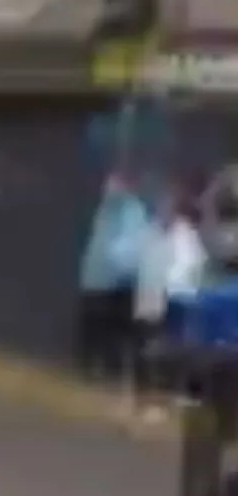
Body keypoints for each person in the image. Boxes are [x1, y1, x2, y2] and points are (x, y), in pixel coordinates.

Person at [132, 185, 206, 416]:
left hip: (178, 299)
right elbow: (144, 263)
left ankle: (172, 397)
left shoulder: (187, 236)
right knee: (148, 350)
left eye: (170, 208)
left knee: (175, 350)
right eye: (163, 207)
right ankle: (146, 400)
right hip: (152, 296)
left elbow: (192, 267)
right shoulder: (151, 232)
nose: (166, 211)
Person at [76, 172, 149, 380]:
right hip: (96, 279)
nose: (108, 187)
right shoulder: (106, 208)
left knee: (108, 332)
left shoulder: (131, 211)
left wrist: (120, 270)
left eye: (113, 183)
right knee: (91, 329)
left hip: (114, 283)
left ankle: (106, 370)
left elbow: (129, 247)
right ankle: (89, 368)